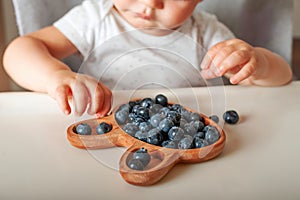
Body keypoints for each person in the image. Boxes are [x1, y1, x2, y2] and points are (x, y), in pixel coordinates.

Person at [3, 0, 293, 117]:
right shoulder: (95, 18)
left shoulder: (206, 31)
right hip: (104, 137)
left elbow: (283, 77)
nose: (151, 2)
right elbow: (21, 49)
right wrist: (55, 75)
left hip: (186, 144)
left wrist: (258, 62)